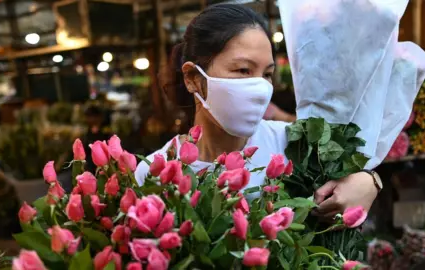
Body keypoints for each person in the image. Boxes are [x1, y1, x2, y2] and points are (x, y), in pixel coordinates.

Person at [135, 4, 380, 219]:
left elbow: (353, 182)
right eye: (243, 70)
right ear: (192, 78)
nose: (260, 88)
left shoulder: (296, 144)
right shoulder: (154, 172)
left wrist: (369, 182)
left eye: (267, 75)